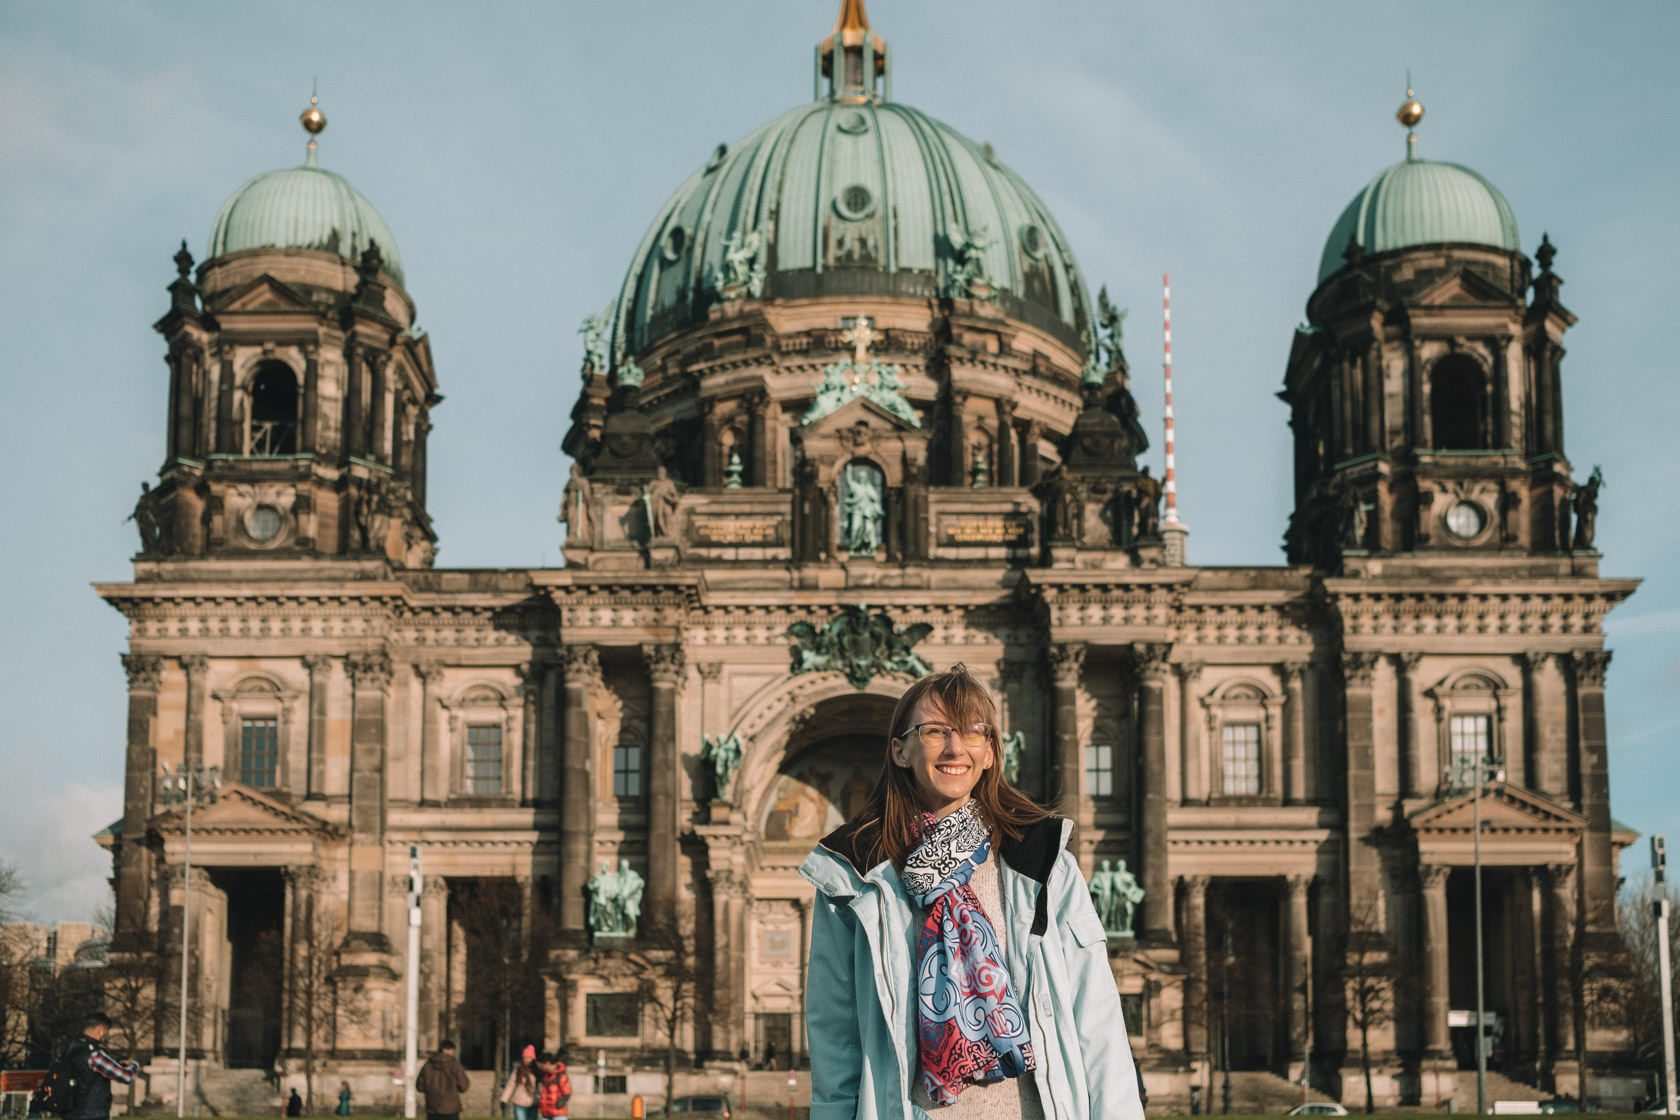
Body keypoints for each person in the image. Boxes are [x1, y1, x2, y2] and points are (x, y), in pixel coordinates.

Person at [801, 663, 1145, 1120]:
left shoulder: (1042, 861)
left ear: (989, 752)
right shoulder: (854, 873)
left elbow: (1096, 1016)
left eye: (972, 731)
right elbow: (834, 1034)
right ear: (900, 752)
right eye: (935, 731)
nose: (954, 747)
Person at [58, 1012, 139, 1120]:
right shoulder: (95, 1054)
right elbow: (126, 1076)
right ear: (100, 1030)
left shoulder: (71, 1048)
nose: (106, 1034)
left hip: (70, 1114)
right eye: (106, 1031)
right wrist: (134, 1064)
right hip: (92, 1114)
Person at [415, 1040, 471, 1120]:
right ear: (452, 1050)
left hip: (432, 1108)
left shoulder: (427, 1066)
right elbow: (464, 1086)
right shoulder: (455, 1066)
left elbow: (419, 1087)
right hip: (451, 1109)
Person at [500, 1045, 539, 1120]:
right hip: (519, 1103)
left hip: (533, 1103)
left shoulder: (537, 1071)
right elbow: (510, 1085)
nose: (527, 1060)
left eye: (529, 1058)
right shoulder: (518, 1071)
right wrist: (504, 1099)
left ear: (533, 1059)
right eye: (525, 1057)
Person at [535, 1054, 572, 1120]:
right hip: (545, 1113)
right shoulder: (544, 1076)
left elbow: (567, 1093)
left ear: (547, 1063)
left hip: (558, 1114)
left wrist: (557, 1105)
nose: (540, 1067)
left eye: (541, 1065)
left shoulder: (560, 1075)